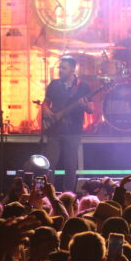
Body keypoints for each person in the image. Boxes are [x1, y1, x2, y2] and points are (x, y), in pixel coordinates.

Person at [42, 56, 93, 192]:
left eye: (63, 68)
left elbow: (91, 109)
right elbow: (46, 102)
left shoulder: (82, 87)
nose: (60, 70)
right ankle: (49, 194)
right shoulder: (54, 85)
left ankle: (68, 195)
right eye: (60, 67)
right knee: (49, 165)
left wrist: (84, 106)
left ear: (72, 69)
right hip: (54, 131)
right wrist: (46, 109)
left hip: (73, 132)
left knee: (70, 166)